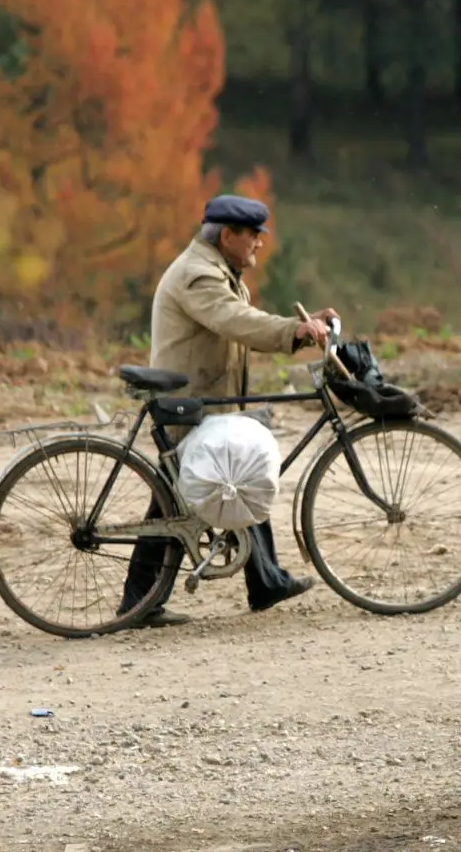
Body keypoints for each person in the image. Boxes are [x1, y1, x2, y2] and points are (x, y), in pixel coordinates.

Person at [119, 194, 334, 628]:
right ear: (227, 235)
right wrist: (293, 330)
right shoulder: (198, 274)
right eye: (253, 234)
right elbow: (237, 321)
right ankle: (143, 602)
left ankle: (260, 581)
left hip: (206, 399)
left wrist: (299, 325)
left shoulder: (220, 271)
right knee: (186, 496)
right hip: (190, 402)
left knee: (225, 480)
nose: (259, 242)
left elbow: (244, 320)